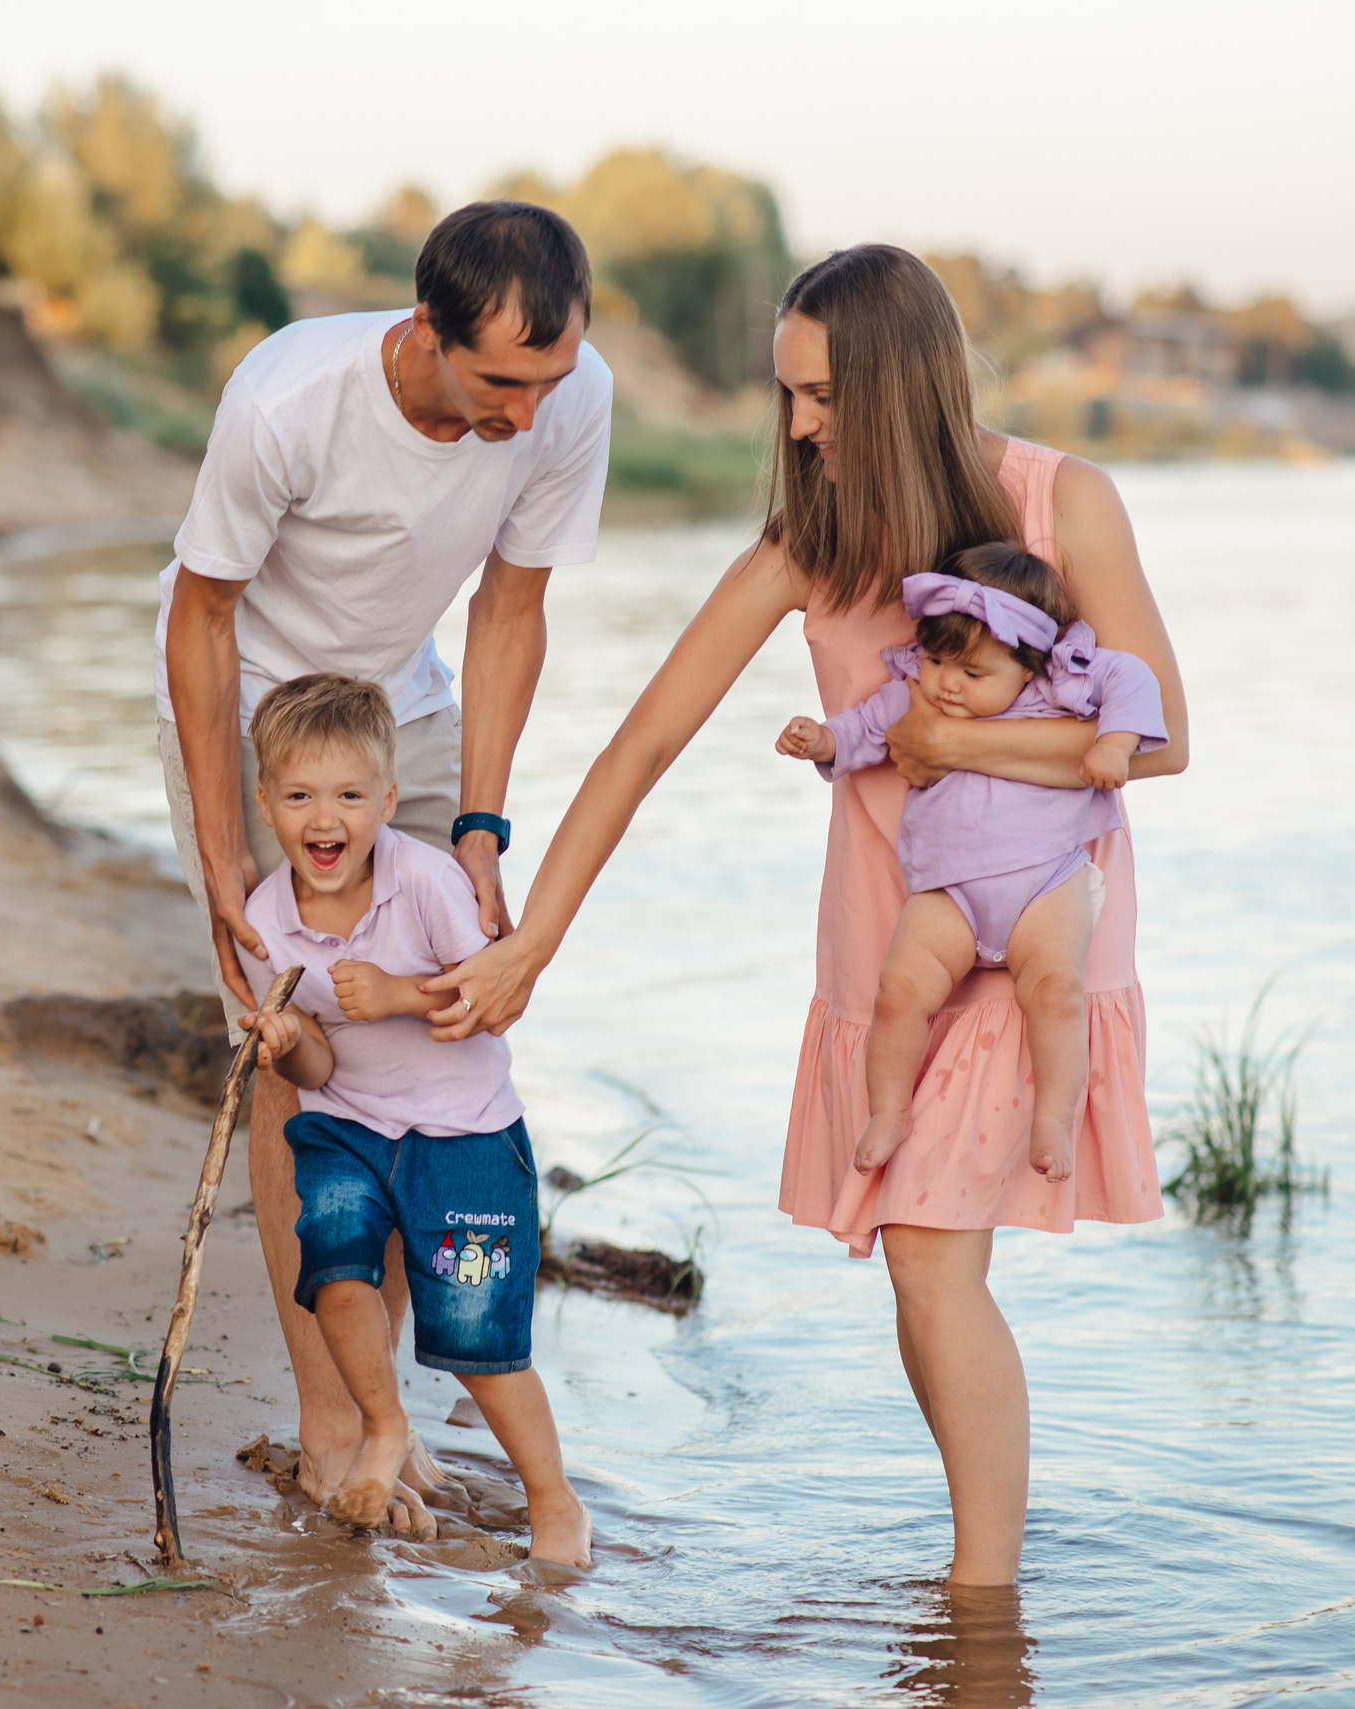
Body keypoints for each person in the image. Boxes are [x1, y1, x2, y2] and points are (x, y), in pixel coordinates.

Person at [426, 244, 1191, 1585]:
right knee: (919, 1265)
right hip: (891, 938)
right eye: (786, 394)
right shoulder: (810, 545)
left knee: (931, 1266)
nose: (796, 426)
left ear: (898, 385)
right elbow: (642, 742)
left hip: (1035, 930)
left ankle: (981, 1608)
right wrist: (533, 937)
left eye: (822, 395)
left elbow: (1164, 734)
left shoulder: (1063, 500)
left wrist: (957, 745)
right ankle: (977, 1598)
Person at [156, 201, 612, 1529]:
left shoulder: (567, 398)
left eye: (550, 378)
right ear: (426, 331)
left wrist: (481, 825)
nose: (529, 411)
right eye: (503, 382)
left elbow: (512, 607)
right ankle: (332, 1419)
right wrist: (226, 842)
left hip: (404, 713)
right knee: (295, 1053)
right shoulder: (288, 401)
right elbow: (201, 613)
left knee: (432, 1029)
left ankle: (383, 1413)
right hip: (255, 710)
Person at [230, 673, 590, 1566]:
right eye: (301, 796)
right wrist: (289, 1043)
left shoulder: (428, 882)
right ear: (265, 804)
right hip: (350, 1126)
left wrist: (394, 995)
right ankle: (383, 1422)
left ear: (388, 800)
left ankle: (556, 1504)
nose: (326, 818)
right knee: (335, 1265)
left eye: (350, 796)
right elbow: (319, 1065)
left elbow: (491, 1002)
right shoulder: (269, 918)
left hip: (464, 1135)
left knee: (477, 1336)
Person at [776, 543, 1168, 1183]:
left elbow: (1137, 680)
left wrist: (1116, 745)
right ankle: (889, 1111)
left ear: (1027, 665)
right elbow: (862, 729)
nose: (947, 683)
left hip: (1046, 882)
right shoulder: (916, 696)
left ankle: (1053, 1121)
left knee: (1056, 994)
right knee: (900, 991)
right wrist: (821, 739)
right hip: (949, 891)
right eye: (935, 660)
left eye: (972, 672)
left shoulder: (1061, 687)